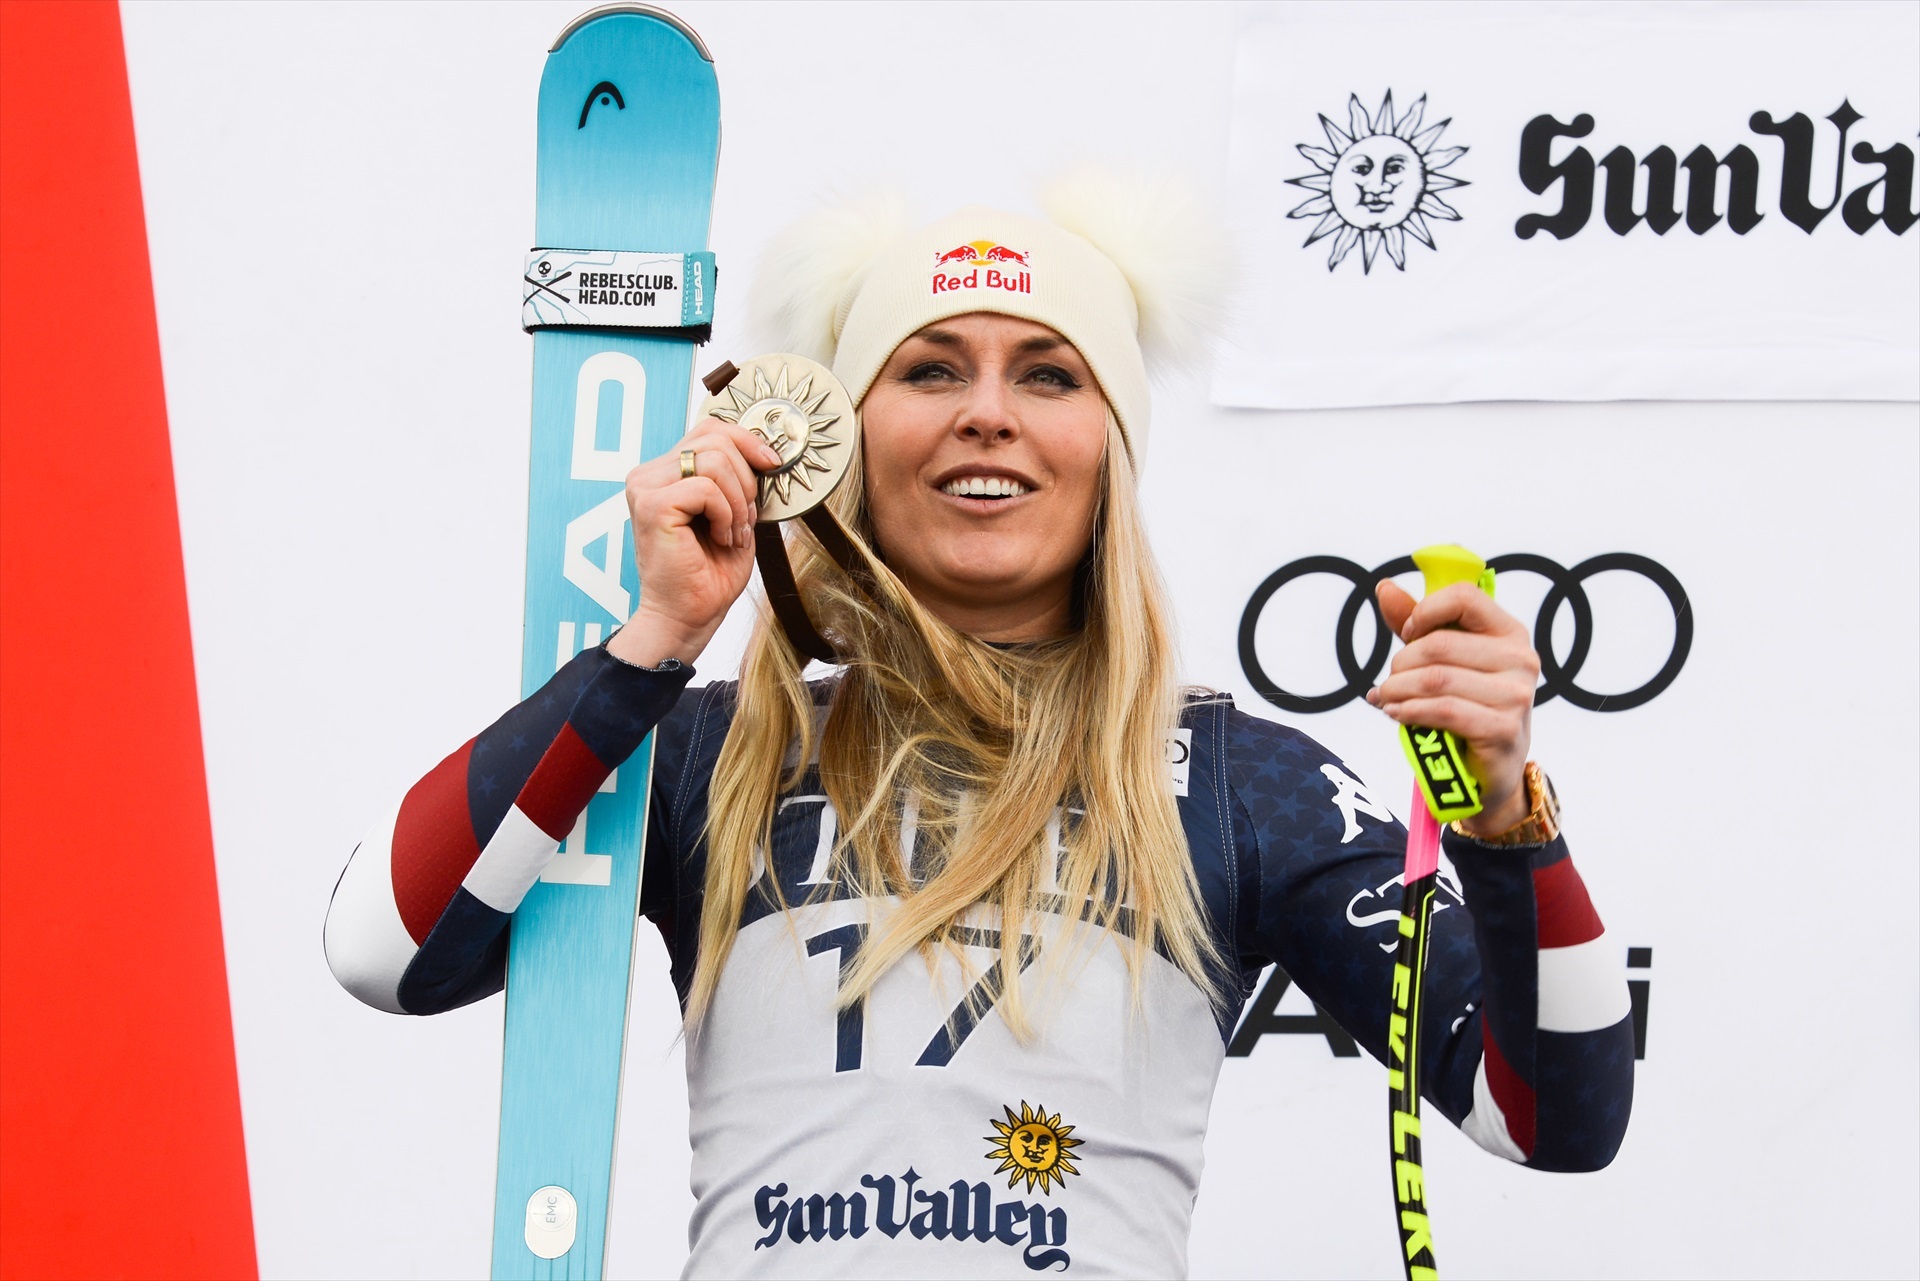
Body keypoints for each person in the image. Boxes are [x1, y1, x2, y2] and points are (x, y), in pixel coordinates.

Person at [324, 178, 1634, 1278]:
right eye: (930, 368)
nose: (986, 410)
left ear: (1110, 452)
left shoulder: (1236, 782)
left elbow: (1552, 1116)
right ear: (841, 443)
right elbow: (385, 949)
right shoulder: (711, 753)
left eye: (1049, 373)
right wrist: (653, 643)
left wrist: (1505, 823)